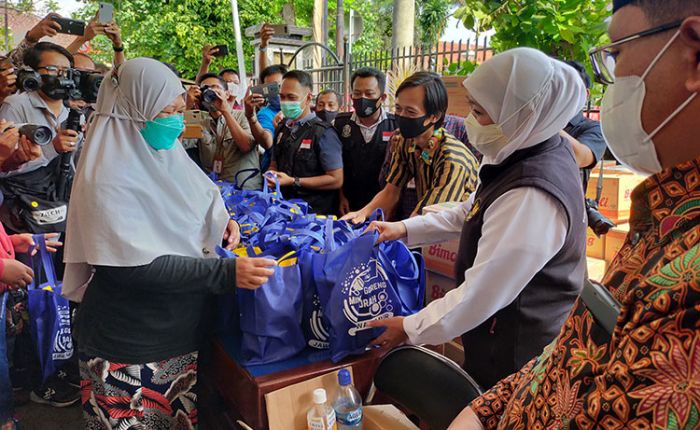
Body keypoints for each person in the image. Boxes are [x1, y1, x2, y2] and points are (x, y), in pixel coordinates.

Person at [448, 1, 700, 428]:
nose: (611, 79)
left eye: (617, 52)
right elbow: (575, 356)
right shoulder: (666, 216)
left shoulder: (537, 178)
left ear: (694, 54)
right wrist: (486, 410)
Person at [62, 58, 277, 428]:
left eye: (180, 109)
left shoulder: (165, 155)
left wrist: (224, 225)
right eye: (167, 111)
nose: (177, 121)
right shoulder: (108, 177)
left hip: (180, 333)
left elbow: (199, 202)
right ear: (134, 111)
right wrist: (226, 271)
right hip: (131, 347)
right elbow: (131, 266)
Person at [366, 49, 588, 390]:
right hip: (494, 336)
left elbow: (482, 293)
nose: (468, 121)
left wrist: (410, 328)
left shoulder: (533, 193)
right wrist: (403, 229)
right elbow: (470, 209)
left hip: (519, 352)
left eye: (479, 112)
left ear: (522, 114)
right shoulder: (521, 149)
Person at [342, 72, 479, 222]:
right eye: (399, 109)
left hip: (457, 231)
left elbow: (428, 218)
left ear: (434, 116)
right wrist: (362, 213)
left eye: (411, 111)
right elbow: (390, 192)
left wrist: (394, 232)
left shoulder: (452, 159)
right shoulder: (405, 141)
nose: (401, 116)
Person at [267, 70, 343, 215]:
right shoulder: (281, 127)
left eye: (291, 97)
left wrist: (293, 181)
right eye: (282, 97)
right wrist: (271, 175)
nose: (285, 102)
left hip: (314, 216)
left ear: (308, 98)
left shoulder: (323, 133)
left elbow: (336, 179)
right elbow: (274, 163)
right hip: (282, 210)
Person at [0, 42, 79, 178]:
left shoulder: (73, 111)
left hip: (63, 194)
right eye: (52, 69)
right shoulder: (15, 105)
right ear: (33, 72)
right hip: (25, 194)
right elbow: (4, 168)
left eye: (66, 71)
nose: (60, 76)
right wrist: (51, 149)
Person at [334, 68, 396, 215]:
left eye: (369, 94)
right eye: (357, 93)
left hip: (382, 207)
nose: (362, 98)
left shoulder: (396, 125)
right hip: (348, 204)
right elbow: (334, 165)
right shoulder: (339, 124)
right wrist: (340, 197)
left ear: (383, 97)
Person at [184, 73, 259, 188]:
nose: (210, 92)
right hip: (214, 191)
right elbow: (178, 146)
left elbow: (246, 146)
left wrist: (225, 111)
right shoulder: (199, 121)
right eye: (205, 89)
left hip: (244, 192)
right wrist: (186, 107)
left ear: (227, 94)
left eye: (215, 87)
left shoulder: (244, 116)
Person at [560, 60, 607, 190]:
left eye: (571, 87)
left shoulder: (593, 128)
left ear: (585, 94)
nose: (562, 93)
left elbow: (579, 156)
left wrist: (545, 122)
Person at [245, 64, 288, 171]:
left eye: (279, 86)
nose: (276, 92)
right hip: (275, 171)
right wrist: (251, 116)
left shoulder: (299, 107)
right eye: (270, 88)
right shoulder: (265, 114)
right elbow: (267, 143)